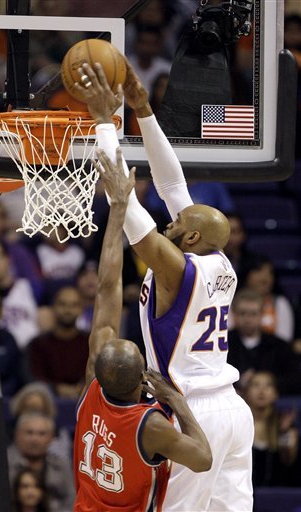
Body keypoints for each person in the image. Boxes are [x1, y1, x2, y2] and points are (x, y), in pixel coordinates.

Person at [77, 60, 253, 511]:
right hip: (233, 410)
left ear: (189, 237)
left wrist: (104, 125)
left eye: (179, 222)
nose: (173, 217)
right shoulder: (218, 260)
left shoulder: (178, 268)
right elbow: (172, 182)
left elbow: (130, 215)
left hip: (196, 412)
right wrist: (142, 110)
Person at [73, 146, 212, 510]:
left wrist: (117, 210)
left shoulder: (91, 390)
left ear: (99, 374)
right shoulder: (148, 426)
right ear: (142, 383)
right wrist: (176, 402)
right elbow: (203, 459)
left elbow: (106, 290)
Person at [227, 288, 300, 395]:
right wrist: (237, 382)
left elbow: (295, 379)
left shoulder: (280, 346)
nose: (248, 319)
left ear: (262, 315)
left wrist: (267, 383)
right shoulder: (223, 345)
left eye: (253, 314)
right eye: (243, 313)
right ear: (234, 315)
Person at [7, 412, 75, 512]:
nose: (35, 439)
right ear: (17, 435)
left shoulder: (62, 465)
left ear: (52, 437)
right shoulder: (3, 463)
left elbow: (71, 498)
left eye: (41, 434)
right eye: (29, 433)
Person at [243, 371, 300, 488]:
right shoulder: (239, 422)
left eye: (268, 386)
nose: (261, 391)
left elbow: (288, 459)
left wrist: (284, 432)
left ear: (276, 393)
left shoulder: (284, 423)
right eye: (255, 385)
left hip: (277, 493)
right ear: (247, 392)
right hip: (244, 493)